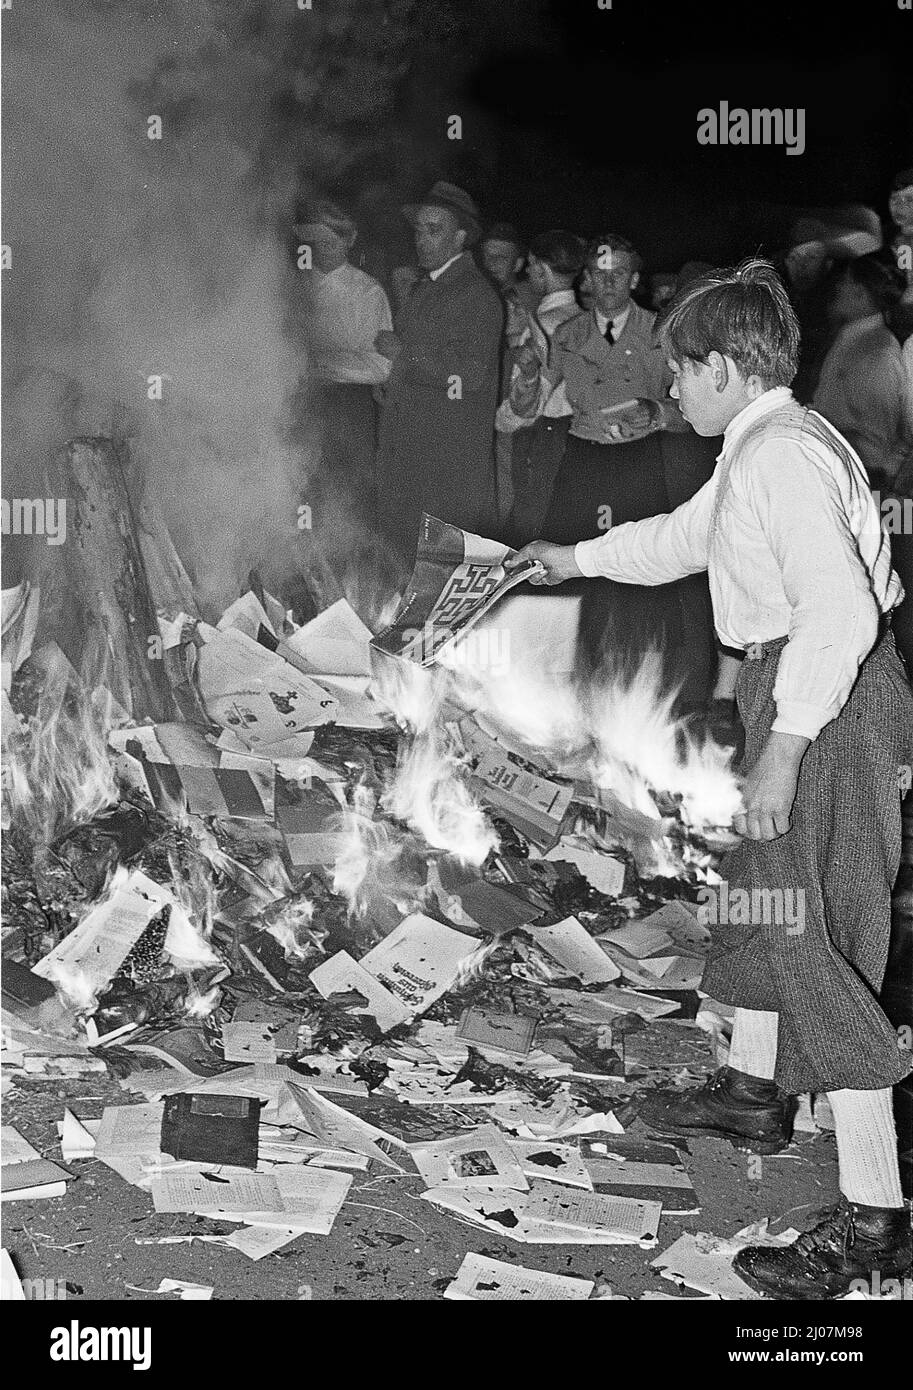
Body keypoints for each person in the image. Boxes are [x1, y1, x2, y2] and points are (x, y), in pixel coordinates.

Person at [506, 258, 913, 1301]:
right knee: (764, 903)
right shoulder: (762, 444)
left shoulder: (778, 456)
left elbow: (841, 612)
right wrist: (572, 558)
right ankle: (750, 1092)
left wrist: (784, 744)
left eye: (681, 367)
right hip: (799, 691)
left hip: (822, 702)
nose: (667, 383)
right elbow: (681, 541)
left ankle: (873, 1220)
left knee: (805, 936)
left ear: (728, 367)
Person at [506, 231, 691, 689]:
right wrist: (528, 375)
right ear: (587, 278)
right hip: (583, 461)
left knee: (642, 571)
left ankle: (637, 687)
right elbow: (528, 408)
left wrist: (655, 413)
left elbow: (691, 415)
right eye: (599, 274)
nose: (609, 284)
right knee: (560, 566)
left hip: (638, 464)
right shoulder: (567, 334)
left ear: (634, 279)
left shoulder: (660, 333)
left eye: (619, 274)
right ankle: (553, 682)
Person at [373, 182, 503, 567]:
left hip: (446, 464)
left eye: (434, 230)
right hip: (411, 456)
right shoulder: (426, 288)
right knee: (404, 563)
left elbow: (467, 377)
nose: (421, 240)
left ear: (461, 237)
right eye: (418, 230)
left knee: (436, 572)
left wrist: (405, 356)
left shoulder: (476, 295)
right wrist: (392, 385)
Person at [294, 201, 392, 526]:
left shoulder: (367, 292)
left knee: (349, 489)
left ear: (350, 241)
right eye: (316, 243)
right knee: (303, 483)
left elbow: (381, 365)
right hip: (303, 402)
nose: (322, 251)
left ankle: (351, 559)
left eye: (330, 243)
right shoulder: (297, 284)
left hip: (348, 407)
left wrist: (321, 363)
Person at [496, 229, 585, 541]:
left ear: (541, 267)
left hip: (541, 436)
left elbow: (526, 407)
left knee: (528, 526)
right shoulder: (581, 318)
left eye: (531, 266)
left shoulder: (544, 325)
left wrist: (501, 421)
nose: (528, 273)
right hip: (571, 433)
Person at [813, 255, 911, 491]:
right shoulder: (851, 338)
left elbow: (878, 444)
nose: (838, 287)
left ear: (862, 294)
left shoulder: (879, 353)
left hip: (859, 482)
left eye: (846, 281)